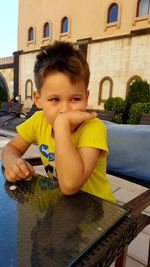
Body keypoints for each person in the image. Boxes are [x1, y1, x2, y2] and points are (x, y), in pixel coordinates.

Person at [1, 41, 115, 203]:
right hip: (60, 206)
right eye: (55, 99)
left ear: (86, 97)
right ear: (38, 100)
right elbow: (12, 147)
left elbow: (70, 185)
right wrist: (12, 161)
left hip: (96, 213)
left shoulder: (93, 128)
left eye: (75, 98)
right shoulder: (38, 120)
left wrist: (61, 126)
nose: (65, 109)